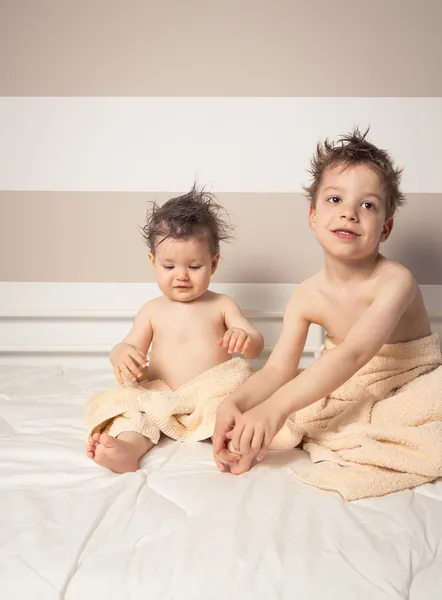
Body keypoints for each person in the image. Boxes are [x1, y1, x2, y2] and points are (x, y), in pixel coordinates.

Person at [213, 128, 436, 475]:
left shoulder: (395, 282)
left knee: (426, 403)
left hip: (410, 376)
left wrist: (276, 407)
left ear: (386, 228)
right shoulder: (306, 295)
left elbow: (354, 353)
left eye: (367, 204)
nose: (349, 213)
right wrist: (236, 403)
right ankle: (246, 444)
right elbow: (278, 369)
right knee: (301, 413)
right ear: (313, 216)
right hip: (351, 382)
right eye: (335, 199)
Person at [86, 185, 264, 474]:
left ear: (213, 263)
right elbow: (128, 346)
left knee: (236, 404)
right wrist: (120, 355)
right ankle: (130, 448)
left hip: (209, 395)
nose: (181, 276)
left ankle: (232, 448)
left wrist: (244, 339)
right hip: (163, 395)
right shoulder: (152, 310)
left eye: (194, 266)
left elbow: (256, 344)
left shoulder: (222, 305)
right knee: (132, 407)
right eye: (169, 266)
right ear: (153, 262)